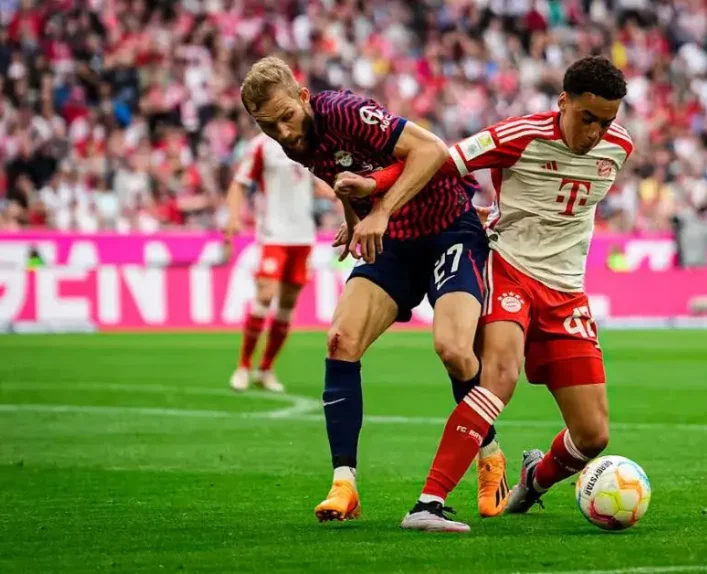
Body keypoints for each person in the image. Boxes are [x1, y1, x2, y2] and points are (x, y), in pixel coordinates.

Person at [336, 56, 633, 532]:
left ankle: (532, 480)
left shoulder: (620, 147)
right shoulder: (520, 134)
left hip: (567, 292)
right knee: (499, 376)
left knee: (593, 435)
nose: (597, 131)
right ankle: (428, 503)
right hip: (510, 270)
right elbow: (436, 158)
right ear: (564, 102)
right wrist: (375, 189)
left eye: (607, 121)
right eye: (588, 118)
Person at [237, 56, 508, 522]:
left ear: (304, 97)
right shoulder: (292, 141)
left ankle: (490, 456)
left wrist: (381, 212)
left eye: (285, 117)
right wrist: (356, 220)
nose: (281, 132)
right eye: (268, 126)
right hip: (393, 243)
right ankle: (345, 485)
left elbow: (432, 151)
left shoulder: (343, 111)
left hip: (449, 228)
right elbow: (344, 179)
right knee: (341, 340)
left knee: (453, 349)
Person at [224, 132, 334, 393]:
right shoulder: (262, 145)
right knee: (265, 294)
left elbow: (318, 180)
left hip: (304, 235)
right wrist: (233, 217)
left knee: (287, 305)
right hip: (273, 234)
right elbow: (239, 183)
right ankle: (243, 365)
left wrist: (330, 191)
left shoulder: (311, 139)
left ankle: (265, 368)